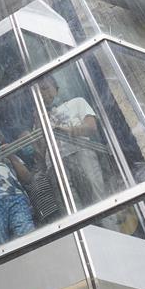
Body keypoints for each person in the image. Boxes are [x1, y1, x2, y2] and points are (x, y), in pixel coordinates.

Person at [37, 75, 108, 208]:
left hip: (81, 151)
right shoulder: (40, 118)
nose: (43, 94)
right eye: (39, 92)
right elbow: (41, 154)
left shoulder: (76, 102)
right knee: (72, 205)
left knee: (97, 197)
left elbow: (91, 127)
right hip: (56, 162)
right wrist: (40, 123)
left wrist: (68, 131)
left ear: (56, 89)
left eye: (45, 88)